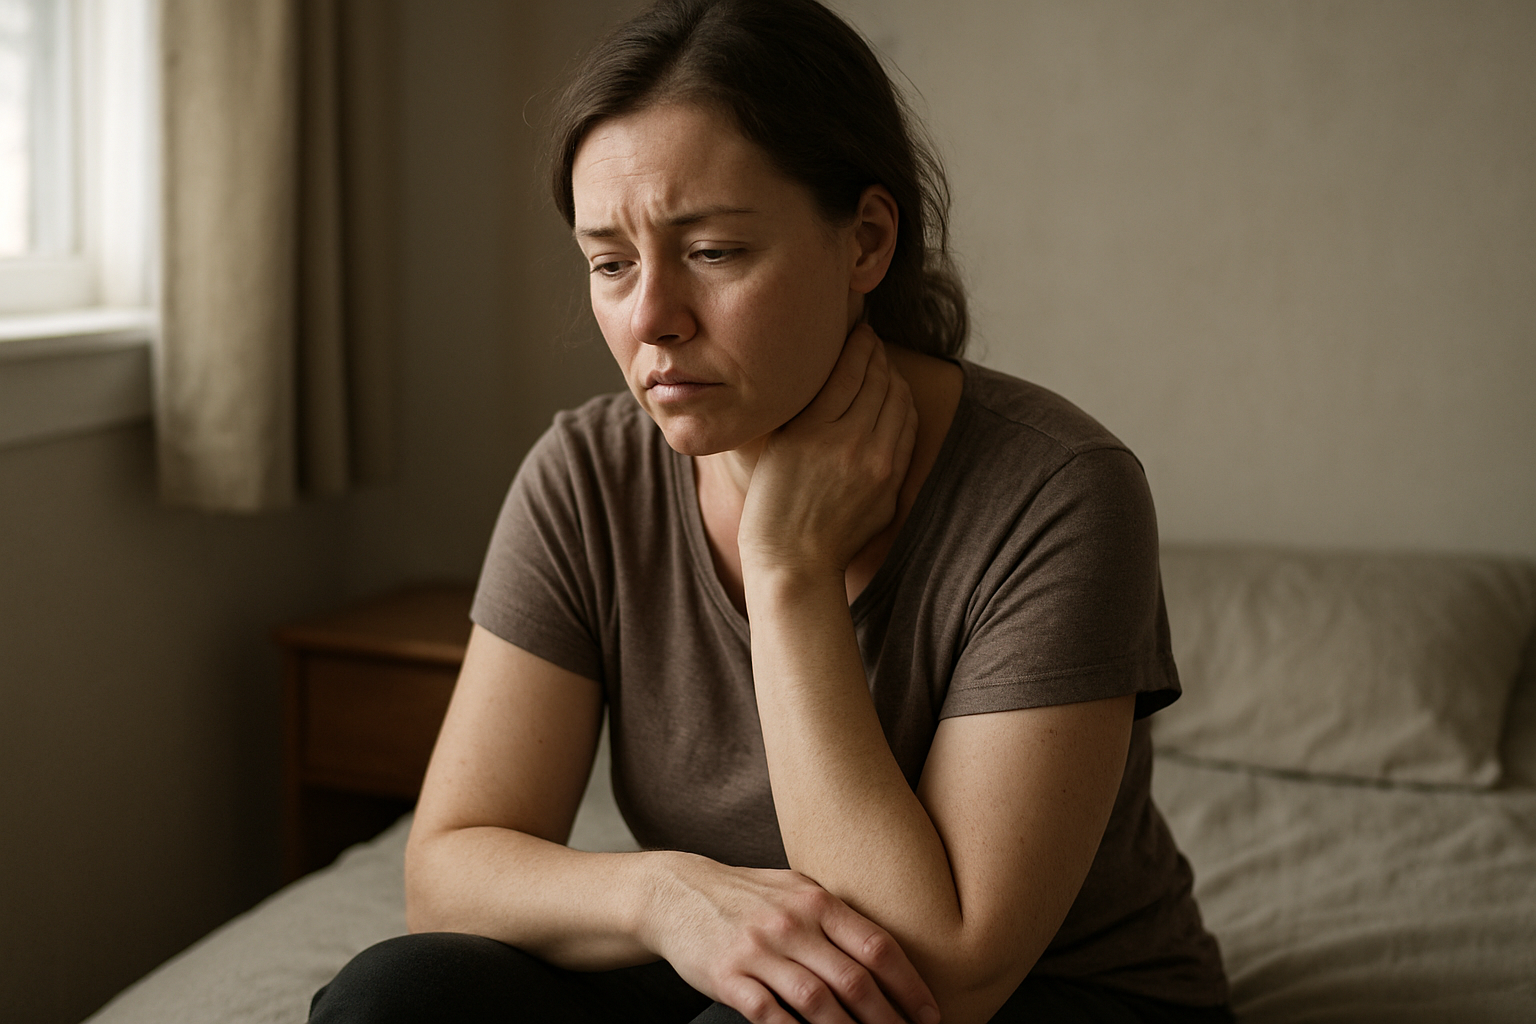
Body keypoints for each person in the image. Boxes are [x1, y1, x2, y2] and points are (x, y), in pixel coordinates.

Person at [309, 1, 1232, 1021]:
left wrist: (790, 569)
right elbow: (446, 871)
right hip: (756, 957)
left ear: (867, 242)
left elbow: (945, 968)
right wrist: (667, 896)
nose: (651, 319)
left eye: (712, 252)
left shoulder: (1060, 490)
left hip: (1044, 995)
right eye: (610, 263)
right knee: (395, 998)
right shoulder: (588, 474)